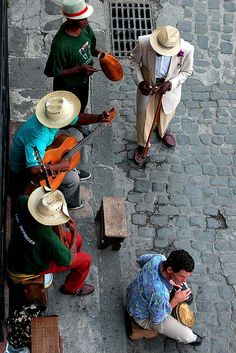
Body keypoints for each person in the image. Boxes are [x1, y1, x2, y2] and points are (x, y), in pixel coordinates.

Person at [9, 90, 115, 209]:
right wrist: (59, 166)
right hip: (24, 171)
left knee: (77, 137)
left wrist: (99, 118)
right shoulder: (38, 137)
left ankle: (70, 168)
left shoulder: (51, 115)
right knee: (73, 180)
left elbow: (78, 119)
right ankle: (72, 202)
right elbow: (33, 170)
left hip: (44, 154)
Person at [7, 186, 94, 296]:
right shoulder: (48, 237)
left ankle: (73, 261)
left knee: (77, 241)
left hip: (18, 249)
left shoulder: (23, 201)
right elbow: (68, 260)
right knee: (86, 260)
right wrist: (75, 233)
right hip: (28, 267)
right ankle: (71, 288)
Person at [130, 25, 194, 164]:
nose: (159, 53)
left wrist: (170, 84)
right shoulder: (143, 42)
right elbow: (133, 61)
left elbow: (186, 72)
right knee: (145, 116)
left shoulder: (187, 49)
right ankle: (143, 144)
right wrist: (141, 82)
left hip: (169, 88)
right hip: (148, 84)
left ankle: (163, 130)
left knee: (166, 112)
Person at [126, 250, 202, 346]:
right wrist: (175, 300)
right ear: (169, 270)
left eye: (186, 277)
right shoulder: (160, 294)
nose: (184, 281)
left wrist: (153, 276)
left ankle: (175, 284)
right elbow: (157, 319)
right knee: (187, 336)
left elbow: (141, 260)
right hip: (142, 316)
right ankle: (192, 338)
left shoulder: (159, 258)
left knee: (185, 293)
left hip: (133, 294)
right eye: (181, 276)